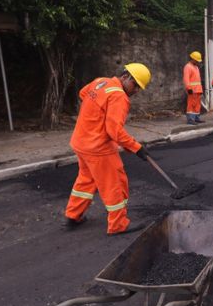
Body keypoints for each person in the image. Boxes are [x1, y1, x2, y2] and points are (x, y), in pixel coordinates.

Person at [64, 63, 152, 236]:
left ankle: (73, 216)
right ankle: (118, 224)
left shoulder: (101, 82)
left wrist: (96, 116)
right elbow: (115, 131)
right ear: (125, 76)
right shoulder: (119, 97)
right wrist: (137, 148)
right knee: (115, 184)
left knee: (86, 180)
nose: (135, 91)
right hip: (98, 148)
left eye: (139, 88)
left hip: (80, 142)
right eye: (135, 85)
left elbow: (83, 94)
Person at [183, 51, 204, 125]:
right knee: (191, 105)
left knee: (197, 104)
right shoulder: (188, 67)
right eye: (197, 60)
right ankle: (190, 119)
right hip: (192, 90)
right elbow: (186, 79)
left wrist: (201, 89)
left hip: (198, 89)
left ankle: (196, 118)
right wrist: (189, 89)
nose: (198, 62)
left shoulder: (196, 67)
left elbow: (198, 79)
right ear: (193, 59)